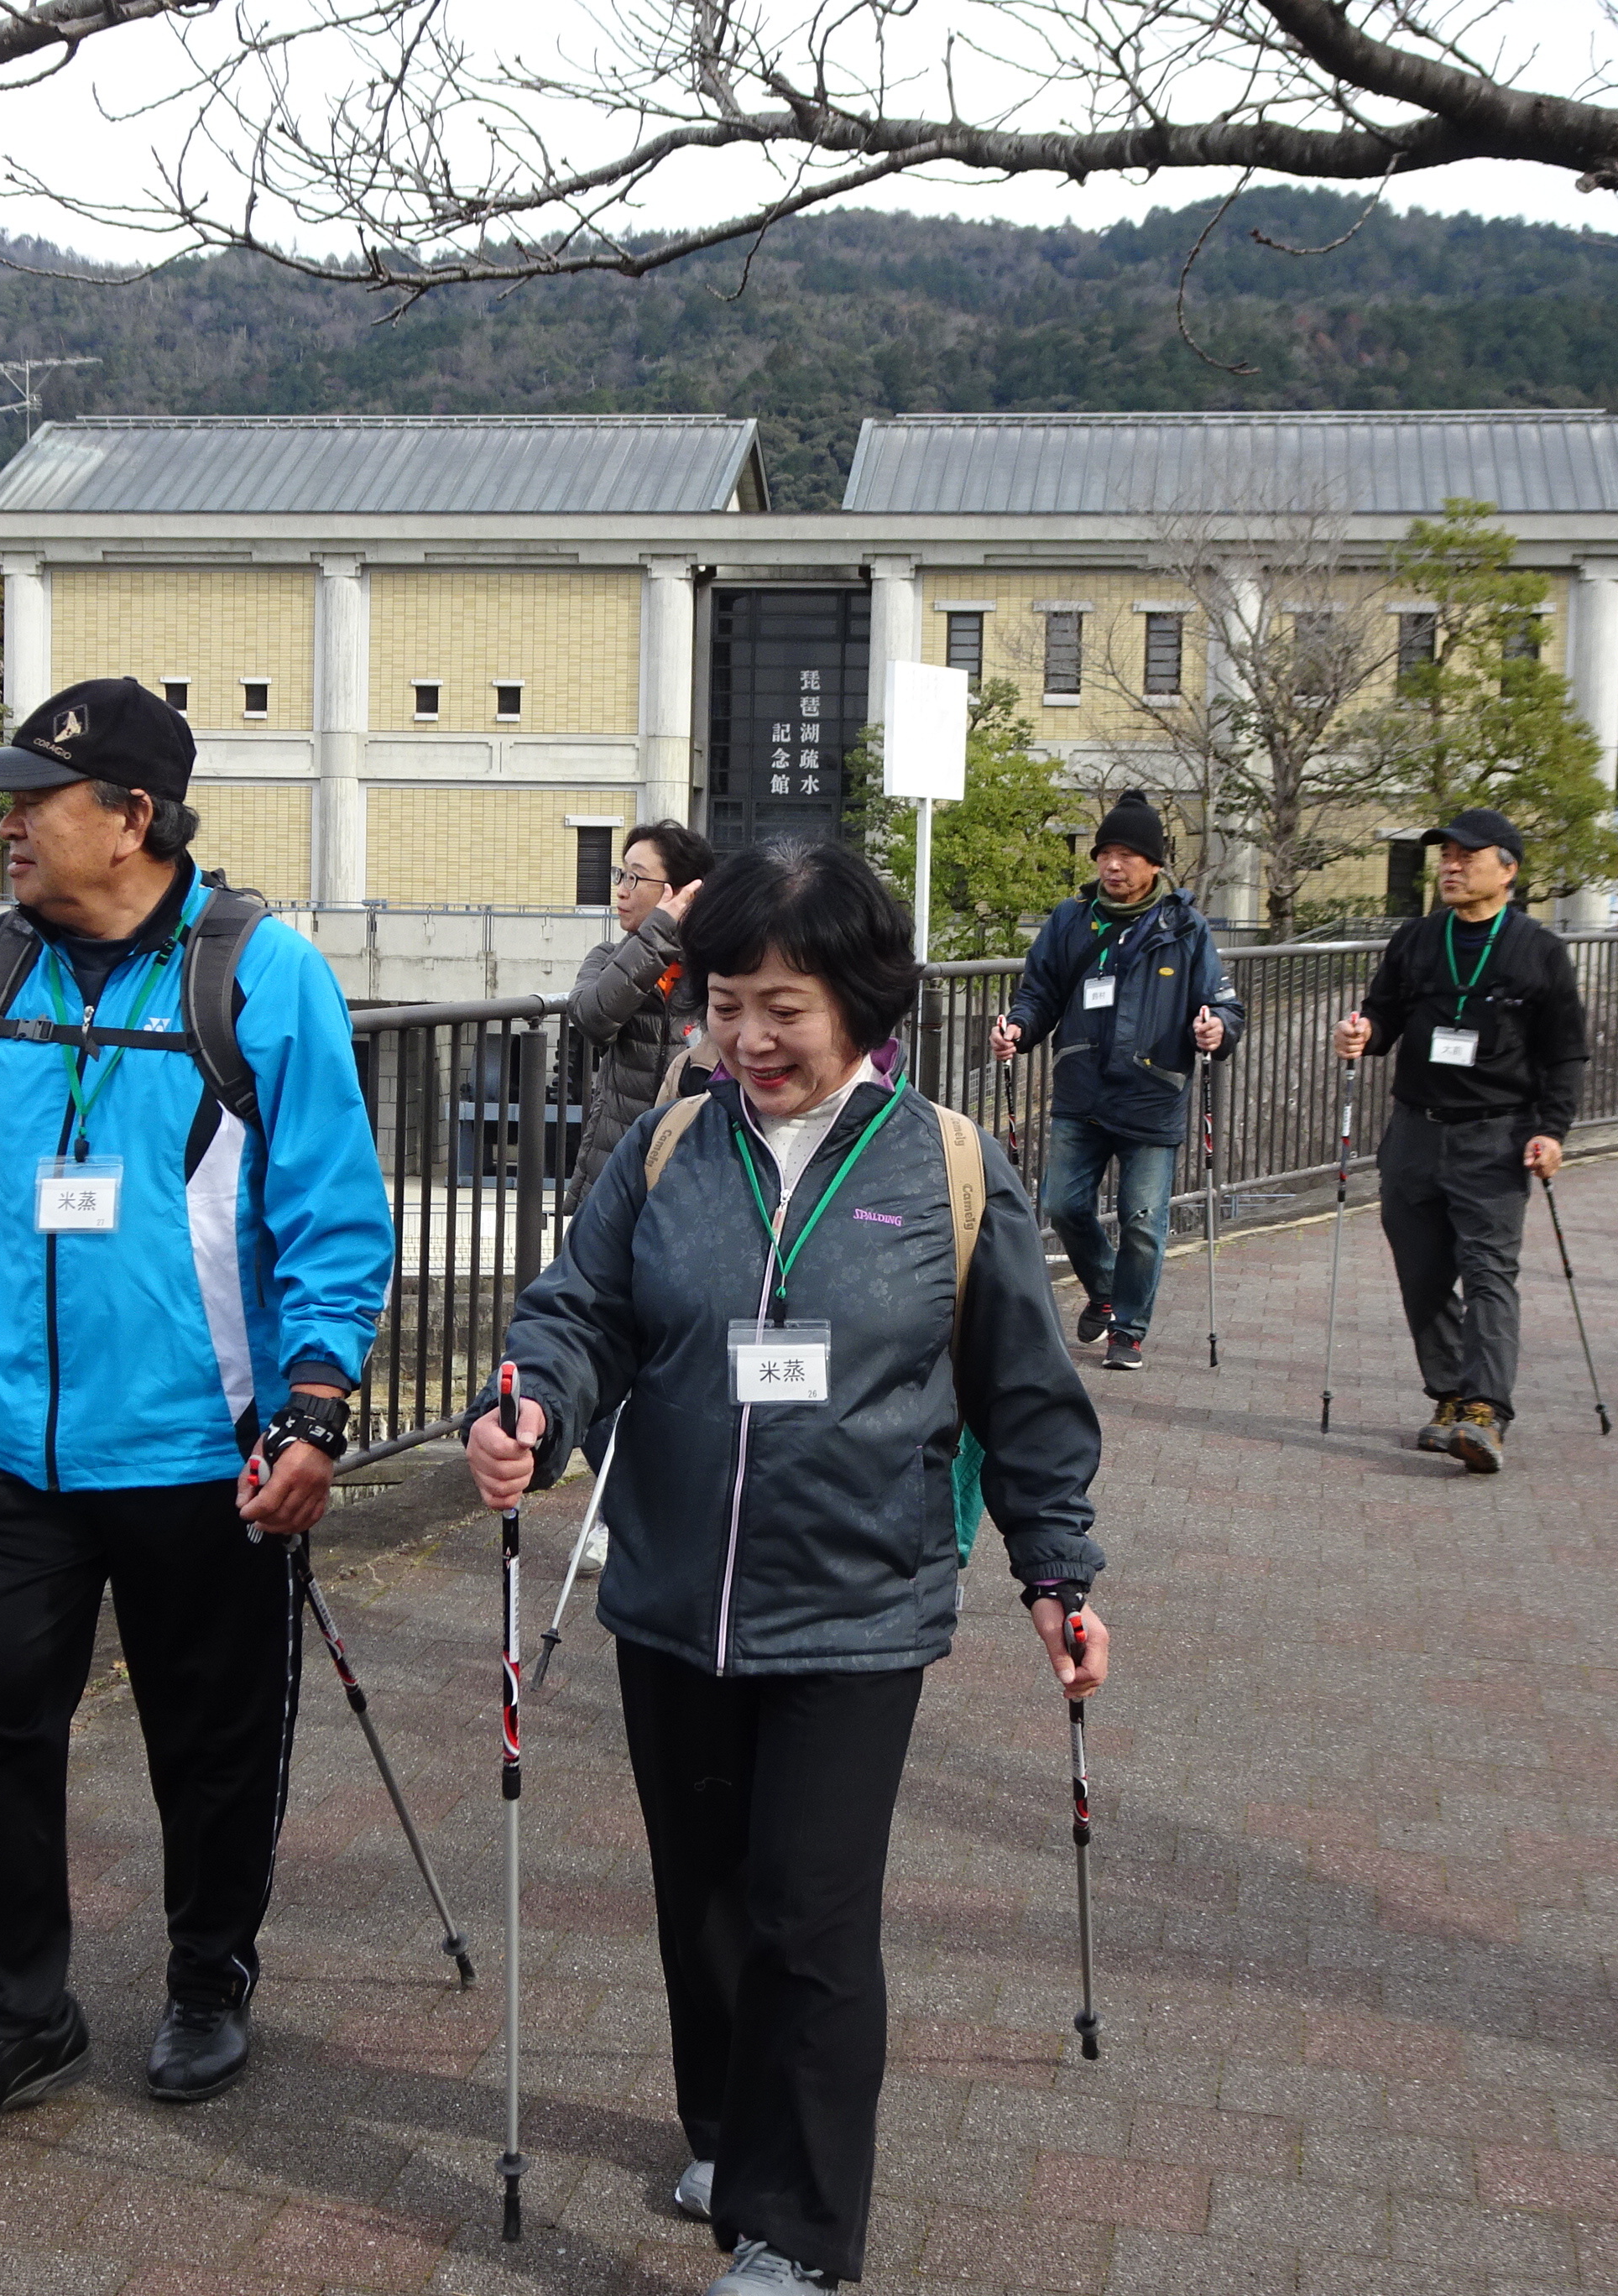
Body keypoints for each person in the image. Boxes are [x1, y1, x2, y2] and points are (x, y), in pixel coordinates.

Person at [465, 839, 1110, 2295]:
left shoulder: (947, 1167)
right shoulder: (666, 1151)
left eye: (784, 1009)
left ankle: (797, 2230)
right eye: (725, 1006)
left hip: (855, 1607)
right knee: (701, 1896)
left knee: (808, 1914)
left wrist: (1057, 1574)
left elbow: (1025, 1395)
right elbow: (580, 1314)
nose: (747, 1039)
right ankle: (724, 2127)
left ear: (862, 1009)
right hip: (672, 1593)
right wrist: (531, 1404)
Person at [0, 676, 394, 2142]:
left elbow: (335, 1222)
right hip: (11, 1440)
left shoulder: (262, 976)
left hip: (199, 1443)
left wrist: (310, 1411)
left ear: (133, 819)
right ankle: (11, 2020)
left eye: (34, 804)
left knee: (210, 1736)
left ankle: (206, 1975)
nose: (8, 831)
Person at [1331, 806, 1588, 1473]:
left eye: (1467, 856)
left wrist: (1552, 1132)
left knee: (1488, 1274)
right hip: (1415, 1131)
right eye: (1445, 854)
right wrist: (1365, 1035)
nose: (1450, 865)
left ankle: (1485, 1410)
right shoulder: (1417, 939)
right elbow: (1384, 1013)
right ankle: (1447, 1395)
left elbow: (1565, 1054)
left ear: (1507, 869)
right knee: (1421, 1277)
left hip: (1496, 1137)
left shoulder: (1538, 950)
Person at [989, 789, 1242, 1371]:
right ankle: (1105, 1290)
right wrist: (1017, 1029)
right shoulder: (1071, 921)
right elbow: (1039, 995)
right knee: (1062, 1206)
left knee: (1143, 1221)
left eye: (1128, 854)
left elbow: (1226, 1009)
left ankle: (1128, 1326)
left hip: (1154, 1096)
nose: (1113, 864)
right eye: (1106, 852)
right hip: (1081, 1090)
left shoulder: (1186, 928)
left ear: (1155, 864)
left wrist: (1216, 1031)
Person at [566, 819, 718, 1216]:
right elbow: (592, 1017)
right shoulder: (607, 957)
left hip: (691, 1167)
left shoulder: (715, 972)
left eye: (636, 878)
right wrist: (657, 934)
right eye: (622, 874)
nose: (621, 890)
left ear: (682, 892)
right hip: (612, 1163)